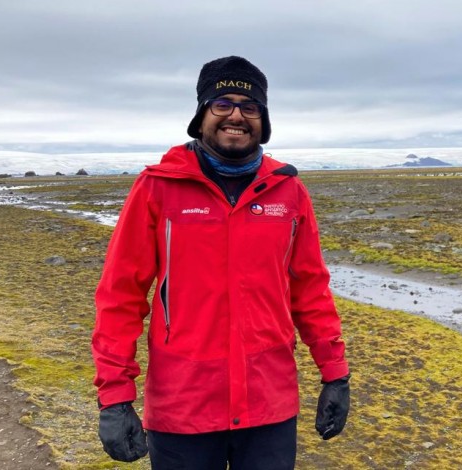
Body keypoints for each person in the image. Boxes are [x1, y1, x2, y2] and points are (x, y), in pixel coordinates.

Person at [91, 56, 350, 469]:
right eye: (222, 104)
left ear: (263, 119)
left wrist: (335, 372)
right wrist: (115, 397)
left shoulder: (289, 191)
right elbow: (120, 296)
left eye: (249, 107)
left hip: (268, 404)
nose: (236, 116)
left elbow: (310, 289)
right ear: (201, 116)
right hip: (184, 406)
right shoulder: (157, 187)